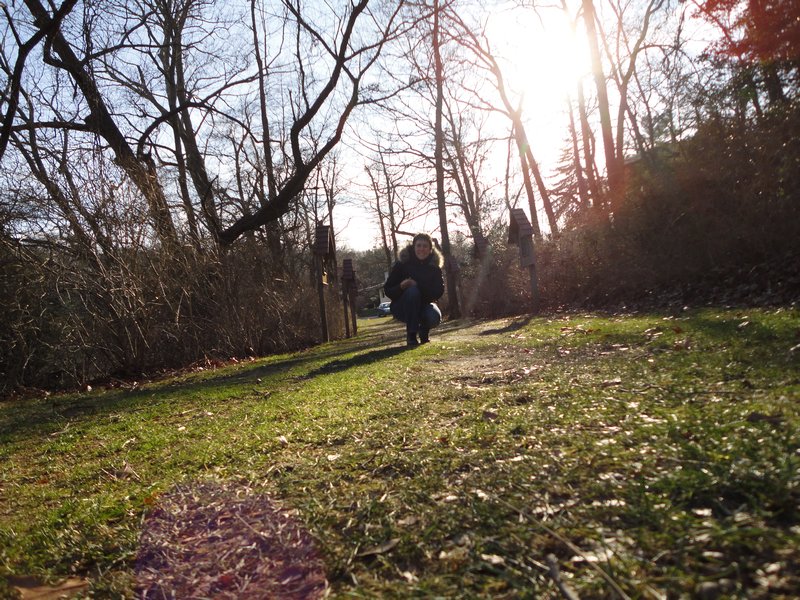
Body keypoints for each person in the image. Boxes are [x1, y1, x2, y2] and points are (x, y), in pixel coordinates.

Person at [383, 233, 444, 347]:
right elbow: (388, 290)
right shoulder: (402, 264)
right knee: (412, 291)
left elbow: (438, 292)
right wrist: (401, 286)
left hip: (424, 306)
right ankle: (411, 335)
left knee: (434, 317)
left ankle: (424, 332)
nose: (422, 249)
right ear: (413, 247)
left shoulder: (434, 267)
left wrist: (417, 285)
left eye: (425, 246)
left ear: (430, 249)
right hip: (402, 307)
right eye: (419, 245)